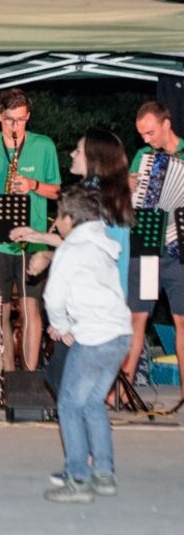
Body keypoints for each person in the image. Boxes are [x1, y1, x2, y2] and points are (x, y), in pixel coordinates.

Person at [10, 128, 134, 394]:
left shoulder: (94, 196)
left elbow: (85, 253)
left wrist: (46, 254)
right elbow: (81, 243)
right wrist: (38, 236)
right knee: (68, 385)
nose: (72, 154)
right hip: (105, 298)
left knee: (63, 384)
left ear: (92, 157)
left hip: (93, 302)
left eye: (78, 150)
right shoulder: (108, 192)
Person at [42, 185, 132, 503]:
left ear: (69, 219)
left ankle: (79, 478)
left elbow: (54, 296)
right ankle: (104, 474)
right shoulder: (102, 245)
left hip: (94, 336)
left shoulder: (72, 249)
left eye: (59, 217)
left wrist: (60, 326)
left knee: (69, 405)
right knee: (93, 404)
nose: (57, 223)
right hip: (120, 334)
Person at [0, 88, 61, 372]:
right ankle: (9, 378)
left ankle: (30, 378)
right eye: (9, 120)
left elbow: (56, 191)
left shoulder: (44, 146)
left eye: (21, 120)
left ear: (28, 117)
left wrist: (32, 185)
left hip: (33, 242)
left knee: (32, 308)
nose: (15, 126)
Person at [124, 101, 184, 401]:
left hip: (179, 252)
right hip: (148, 250)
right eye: (142, 134)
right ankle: (123, 392)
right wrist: (130, 184)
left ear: (166, 124)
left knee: (182, 320)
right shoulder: (144, 158)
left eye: (150, 133)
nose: (146, 140)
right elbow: (130, 195)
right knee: (137, 318)